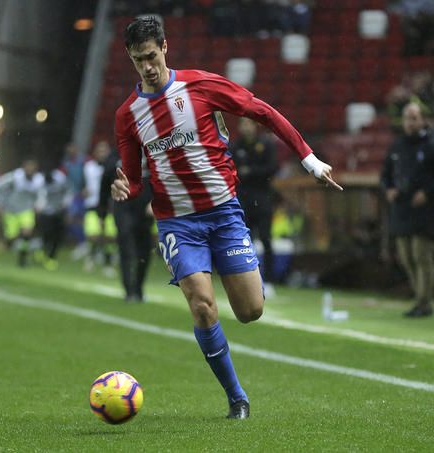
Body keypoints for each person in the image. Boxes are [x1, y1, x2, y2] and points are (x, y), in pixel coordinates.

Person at [111, 17, 342, 419]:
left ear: (165, 47)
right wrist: (124, 190)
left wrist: (309, 160)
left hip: (224, 214)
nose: (146, 67)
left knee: (251, 311)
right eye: (137, 61)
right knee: (202, 305)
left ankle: (225, 268)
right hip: (178, 223)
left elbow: (263, 112)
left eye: (150, 56)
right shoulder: (128, 115)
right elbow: (133, 180)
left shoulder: (201, 86)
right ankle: (237, 398)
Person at [380, 102, 434, 317]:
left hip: (424, 210)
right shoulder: (397, 146)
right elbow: (385, 175)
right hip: (401, 209)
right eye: (407, 118)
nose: (410, 122)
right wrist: (389, 189)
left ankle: (424, 302)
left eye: (414, 118)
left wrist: (428, 193)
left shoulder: (430, 144)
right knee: (406, 257)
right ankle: (420, 297)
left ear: (422, 120)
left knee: (422, 256)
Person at [100, 148, 155, 302]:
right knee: (126, 246)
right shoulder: (116, 155)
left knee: (144, 251)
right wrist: (102, 211)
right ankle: (129, 290)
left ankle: (138, 288)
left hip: (145, 207)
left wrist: (157, 200)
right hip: (123, 206)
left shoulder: (153, 151)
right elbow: (105, 182)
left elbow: (164, 179)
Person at [230, 117, 278, 284]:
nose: (246, 128)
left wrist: (250, 172)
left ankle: (270, 280)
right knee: (245, 240)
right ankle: (248, 279)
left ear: (255, 126)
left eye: (249, 124)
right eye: (243, 124)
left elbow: (272, 168)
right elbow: (231, 169)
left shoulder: (266, 144)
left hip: (263, 197)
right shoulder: (235, 146)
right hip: (243, 199)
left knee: (266, 238)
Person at [0, 159, 45, 267]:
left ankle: (23, 256)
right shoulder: (15, 177)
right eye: (28, 168)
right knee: (11, 238)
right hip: (11, 210)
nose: (30, 170)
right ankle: (10, 244)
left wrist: (39, 205)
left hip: (26, 210)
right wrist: (0, 202)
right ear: (24, 168)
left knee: (27, 232)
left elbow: (41, 194)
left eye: (32, 169)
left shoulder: (38, 180)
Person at [83, 140, 117, 274]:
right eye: (100, 151)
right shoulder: (88, 167)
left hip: (109, 206)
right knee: (93, 235)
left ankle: (107, 264)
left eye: (105, 151)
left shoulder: (113, 166)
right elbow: (82, 183)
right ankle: (91, 258)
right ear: (95, 153)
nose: (102, 153)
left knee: (110, 236)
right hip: (92, 205)